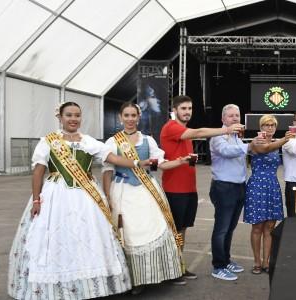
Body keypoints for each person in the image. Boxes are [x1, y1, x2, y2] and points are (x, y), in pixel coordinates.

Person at [8, 102, 151, 299]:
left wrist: (137, 162)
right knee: (55, 239)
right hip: (56, 197)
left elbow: (113, 158)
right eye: (69, 115)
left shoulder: (88, 141)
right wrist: (36, 200)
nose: (73, 119)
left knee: (88, 238)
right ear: (60, 117)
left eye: (77, 115)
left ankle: (87, 287)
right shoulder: (48, 141)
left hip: (86, 198)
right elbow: (38, 172)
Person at [102, 102, 191, 294]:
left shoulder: (148, 140)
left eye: (134, 115)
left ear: (138, 117)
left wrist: (181, 161)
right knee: (129, 235)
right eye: (126, 115)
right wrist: (107, 196)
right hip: (122, 192)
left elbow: (162, 164)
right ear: (120, 117)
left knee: (153, 230)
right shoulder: (112, 142)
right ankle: (132, 280)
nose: (130, 119)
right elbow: (107, 171)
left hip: (146, 191)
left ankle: (149, 276)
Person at [159, 95, 242, 283]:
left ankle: (178, 265)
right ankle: (172, 269)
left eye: (189, 108)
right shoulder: (172, 127)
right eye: (183, 109)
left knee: (182, 231)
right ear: (174, 110)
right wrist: (226, 130)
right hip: (175, 190)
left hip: (188, 189)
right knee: (176, 232)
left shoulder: (182, 129)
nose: (187, 112)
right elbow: (199, 133)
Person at [209, 104, 262, 281]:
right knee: (221, 229)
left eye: (237, 116)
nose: (235, 119)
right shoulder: (218, 135)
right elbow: (226, 152)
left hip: (239, 187)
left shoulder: (237, 137)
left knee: (230, 228)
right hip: (224, 187)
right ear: (223, 119)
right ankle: (218, 266)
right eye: (230, 116)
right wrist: (249, 147)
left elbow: (241, 153)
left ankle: (226, 259)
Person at [245, 115, 294, 275]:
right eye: (266, 125)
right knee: (257, 227)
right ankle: (257, 261)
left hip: (272, 185)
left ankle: (266, 262)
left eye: (273, 125)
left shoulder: (277, 143)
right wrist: (284, 140)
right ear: (261, 127)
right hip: (257, 185)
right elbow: (264, 149)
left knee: (270, 227)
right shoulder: (257, 141)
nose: (270, 128)